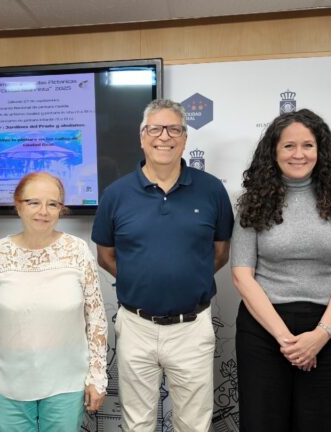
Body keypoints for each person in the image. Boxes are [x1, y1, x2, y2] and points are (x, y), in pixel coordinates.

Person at [91, 99, 234, 431]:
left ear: (184, 138)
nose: (164, 137)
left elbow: (221, 252)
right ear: (142, 137)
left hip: (192, 327)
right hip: (136, 326)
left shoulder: (211, 190)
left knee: (193, 425)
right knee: (137, 423)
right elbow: (105, 256)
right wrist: (143, 281)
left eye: (174, 129)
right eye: (154, 128)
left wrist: (185, 279)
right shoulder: (116, 194)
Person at [231, 108, 331, 431]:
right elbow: (241, 274)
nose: (299, 154)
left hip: (324, 333)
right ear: (274, 152)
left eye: (308, 145)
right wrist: (286, 340)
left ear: (321, 151)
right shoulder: (253, 201)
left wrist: (320, 335)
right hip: (264, 332)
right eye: (289, 146)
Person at [0, 172, 108, 430]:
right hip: (8, 383)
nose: (43, 211)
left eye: (52, 204)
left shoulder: (77, 251)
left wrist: (97, 376)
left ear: (60, 210)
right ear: (18, 205)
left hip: (66, 382)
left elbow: (96, 319)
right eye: (34, 202)